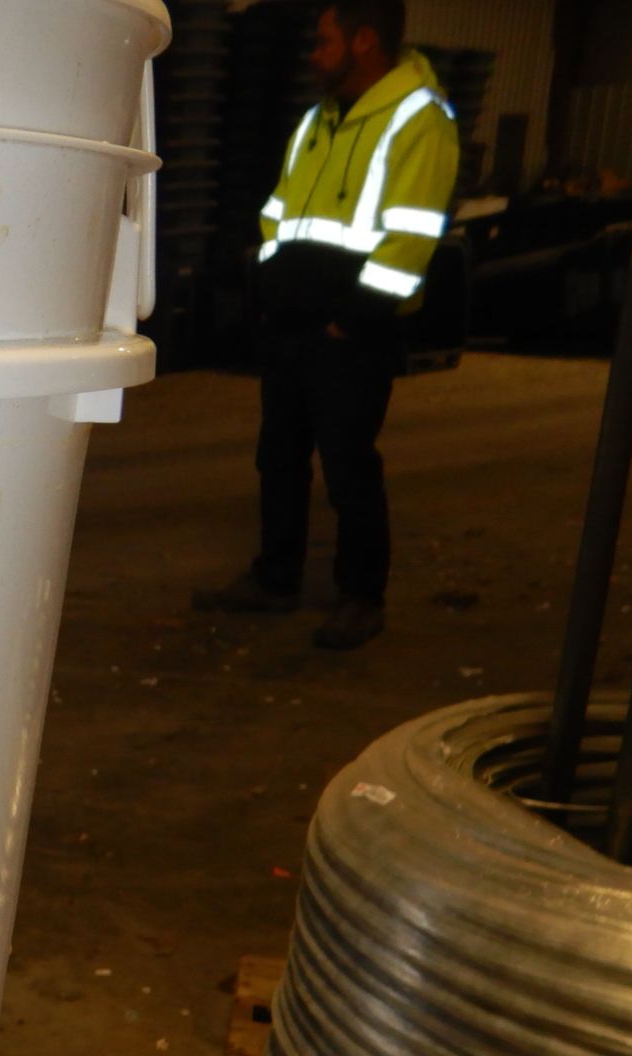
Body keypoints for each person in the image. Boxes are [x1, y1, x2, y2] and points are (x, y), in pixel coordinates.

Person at [194, 0, 460, 650]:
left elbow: (413, 235)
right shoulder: (320, 118)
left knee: (349, 470)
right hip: (289, 324)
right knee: (278, 461)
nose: (314, 54)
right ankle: (275, 580)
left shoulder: (418, 118)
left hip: (353, 333)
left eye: (324, 41)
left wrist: (352, 320)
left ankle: (361, 598)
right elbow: (281, 211)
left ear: (365, 41)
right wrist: (268, 287)